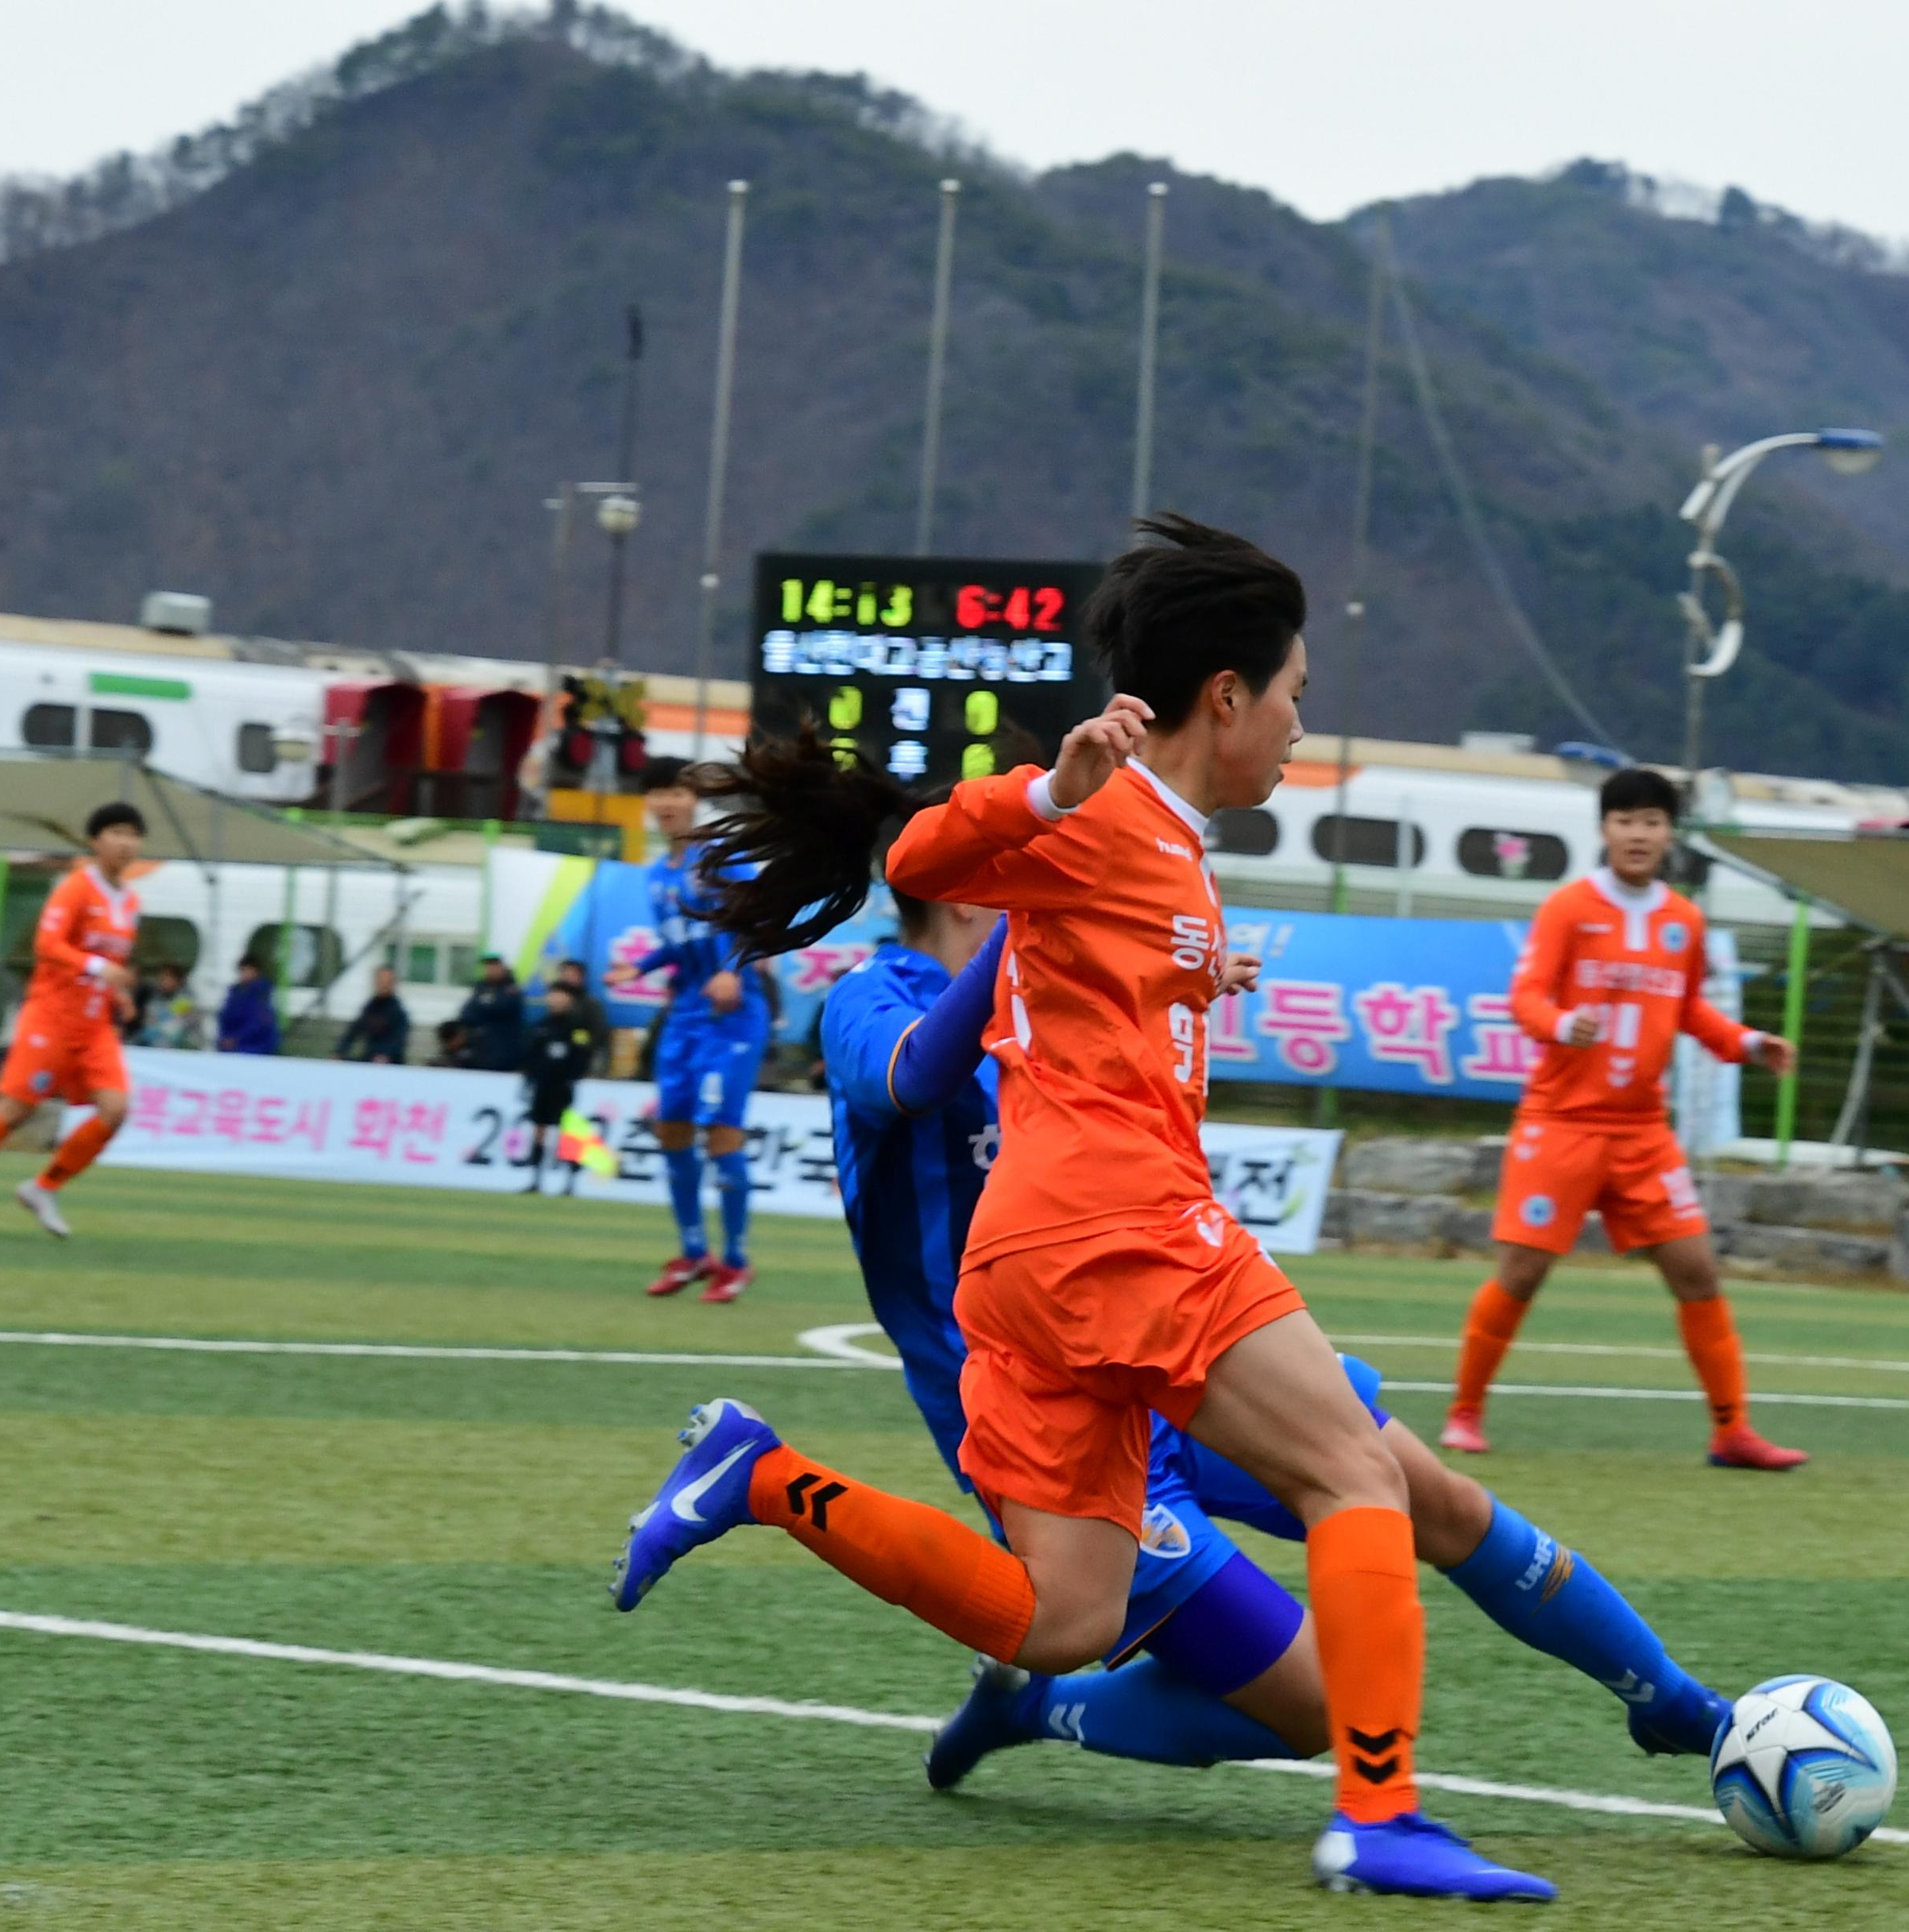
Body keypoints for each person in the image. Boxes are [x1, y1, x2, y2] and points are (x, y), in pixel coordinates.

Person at [609, 516, 1551, 1900]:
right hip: (1121, 1225)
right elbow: (926, 858)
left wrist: (1187, 976)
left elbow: (1081, 976)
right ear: (1224, 695)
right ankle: (1383, 1817)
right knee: (1354, 1472)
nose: (1301, 725)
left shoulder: (1166, 844)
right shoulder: (1106, 808)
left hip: (1031, 1262)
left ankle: (763, 1477)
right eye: (1295, 693)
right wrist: (1048, 791)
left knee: (1062, 1620)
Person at [787, 824, 1732, 1809]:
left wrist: (1160, 980)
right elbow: (903, 1077)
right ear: (978, 895)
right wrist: (1035, 935)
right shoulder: (873, 994)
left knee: (1435, 1499)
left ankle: (1682, 1704)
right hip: (1050, 1419)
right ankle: (1036, 1705)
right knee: (1318, 1707)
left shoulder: (1054, 989)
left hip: (1174, 1342)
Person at [1441, 765, 1800, 1471]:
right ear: (1604, 830)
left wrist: (1748, 1043)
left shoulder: (1682, 920)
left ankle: (1732, 1431)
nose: (1639, 834)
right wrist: (1561, 1023)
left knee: (1697, 1270)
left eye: (1653, 822)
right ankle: (1465, 1413)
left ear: (1671, 834)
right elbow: (1527, 996)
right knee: (1522, 1271)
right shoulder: (1569, 909)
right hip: (1564, 1122)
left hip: (1643, 1132)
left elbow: (1690, 1009)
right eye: (1626, 821)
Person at [0, 802, 142, 1239]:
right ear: (95, 841)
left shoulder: (132, 902)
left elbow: (113, 960)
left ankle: (43, 1188)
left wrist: (118, 991)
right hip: (52, 1017)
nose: (126, 841)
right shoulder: (77, 888)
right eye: (116, 831)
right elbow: (47, 945)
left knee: (116, 1110)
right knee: (15, 1111)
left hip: (94, 1024)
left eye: (133, 834)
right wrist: (100, 969)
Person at [606, 755, 777, 1304]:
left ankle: (737, 1260)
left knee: (721, 1131)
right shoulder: (659, 875)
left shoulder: (720, 856)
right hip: (685, 1013)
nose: (666, 802)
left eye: (676, 791)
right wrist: (644, 966)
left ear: (694, 797)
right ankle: (693, 1251)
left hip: (732, 1013)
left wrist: (732, 970)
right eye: (656, 793)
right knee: (672, 1130)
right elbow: (682, 941)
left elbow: (757, 914)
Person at [518, 983, 597, 1195]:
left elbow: (583, 1054)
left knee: (568, 1133)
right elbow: (531, 1055)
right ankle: (535, 1180)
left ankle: (569, 1184)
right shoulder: (541, 1026)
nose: (556, 1000)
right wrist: (530, 1077)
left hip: (563, 1086)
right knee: (539, 1131)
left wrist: (573, 1077)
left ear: (569, 1000)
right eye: (553, 996)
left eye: (561, 996)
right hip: (543, 1085)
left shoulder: (577, 1028)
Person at [457, 956, 527, 1072]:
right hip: (480, 1050)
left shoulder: (511, 989)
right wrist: (486, 1005)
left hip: (503, 1052)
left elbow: (502, 1008)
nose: (491, 970)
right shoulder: (481, 987)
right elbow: (466, 1014)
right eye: (488, 967)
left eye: (495, 966)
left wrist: (483, 1006)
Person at [336, 964, 412, 1065]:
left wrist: (385, 1055)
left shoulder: (399, 1012)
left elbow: (399, 1041)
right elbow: (353, 1032)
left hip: (391, 1062)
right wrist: (340, 1051)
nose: (383, 984)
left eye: (387, 982)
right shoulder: (370, 1008)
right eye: (380, 981)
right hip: (369, 1058)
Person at [216, 956, 280, 1056]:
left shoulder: (262, 994)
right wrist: (224, 1038)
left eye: (248, 970)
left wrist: (236, 1039)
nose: (245, 974)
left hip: (256, 1047)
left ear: (256, 972)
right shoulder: (235, 993)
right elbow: (225, 1017)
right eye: (243, 970)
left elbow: (259, 1022)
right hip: (232, 1046)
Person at [133, 961, 202, 1050]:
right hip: (153, 1046)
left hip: (179, 1048)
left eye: (168, 978)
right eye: (162, 978)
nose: (164, 982)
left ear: (177, 980)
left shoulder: (185, 1001)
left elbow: (181, 1028)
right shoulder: (154, 999)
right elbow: (148, 1024)